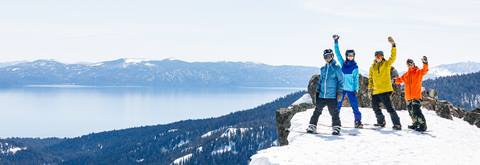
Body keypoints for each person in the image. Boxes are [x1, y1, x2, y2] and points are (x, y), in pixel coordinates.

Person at [307, 49, 344, 135]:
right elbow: (320, 81)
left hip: (331, 96)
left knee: (334, 112)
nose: (327, 58)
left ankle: (336, 127)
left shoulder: (336, 68)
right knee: (317, 111)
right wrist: (317, 92)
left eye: (329, 56)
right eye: (325, 57)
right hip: (322, 95)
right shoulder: (323, 69)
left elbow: (341, 81)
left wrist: (339, 92)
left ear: (332, 56)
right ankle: (312, 126)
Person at [368, 36, 402, 130]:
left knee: (389, 108)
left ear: (382, 57)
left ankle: (397, 124)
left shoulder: (386, 64)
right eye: (377, 56)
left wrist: (393, 45)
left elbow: (393, 57)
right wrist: (370, 89)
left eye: (380, 56)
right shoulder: (372, 67)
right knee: (375, 107)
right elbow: (371, 78)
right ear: (375, 57)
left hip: (385, 90)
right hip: (375, 91)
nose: (378, 57)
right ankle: (381, 122)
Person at [332, 34, 363, 128]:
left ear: (354, 56)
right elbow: (337, 53)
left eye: (352, 55)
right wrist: (336, 42)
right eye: (349, 55)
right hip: (341, 89)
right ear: (346, 56)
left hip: (351, 89)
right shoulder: (343, 63)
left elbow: (356, 80)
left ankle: (357, 121)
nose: (350, 57)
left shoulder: (355, 67)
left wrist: (356, 89)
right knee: (337, 106)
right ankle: (335, 121)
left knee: (355, 106)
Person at [395, 57, 429, 132]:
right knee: (411, 112)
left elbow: (425, 70)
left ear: (413, 64)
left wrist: (425, 63)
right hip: (408, 97)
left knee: (416, 111)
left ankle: (423, 125)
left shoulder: (418, 72)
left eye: (411, 63)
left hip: (416, 96)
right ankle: (415, 123)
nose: (410, 65)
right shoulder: (406, 74)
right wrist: (394, 80)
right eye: (408, 64)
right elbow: (400, 80)